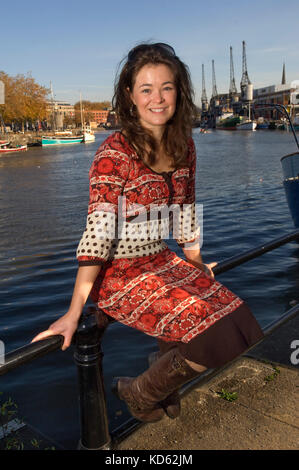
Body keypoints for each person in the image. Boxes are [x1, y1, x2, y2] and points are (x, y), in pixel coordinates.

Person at [32, 42, 264, 423]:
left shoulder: (185, 146)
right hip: (119, 272)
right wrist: (75, 311)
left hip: (160, 259)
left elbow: (187, 207)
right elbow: (98, 233)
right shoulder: (114, 154)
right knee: (212, 337)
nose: (158, 98)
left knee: (244, 326)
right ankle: (139, 392)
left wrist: (195, 262)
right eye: (146, 89)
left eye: (167, 87)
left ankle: (160, 368)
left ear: (179, 91)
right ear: (130, 95)